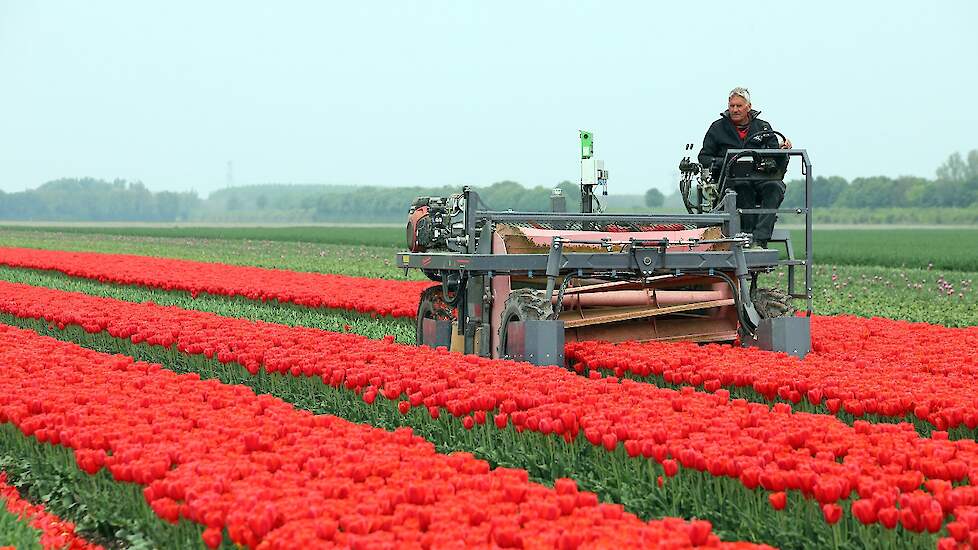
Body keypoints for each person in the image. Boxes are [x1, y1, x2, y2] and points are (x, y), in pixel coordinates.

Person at [697, 87, 792, 248]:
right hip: (730, 179)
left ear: (748, 107)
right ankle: (746, 237)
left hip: (761, 177)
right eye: (732, 106)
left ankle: (760, 240)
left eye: (739, 106)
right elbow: (704, 157)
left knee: (775, 187)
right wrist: (728, 162)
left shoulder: (763, 127)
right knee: (742, 186)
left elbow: (776, 160)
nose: (735, 109)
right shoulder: (717, 128)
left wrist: (782, 153)